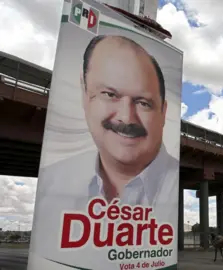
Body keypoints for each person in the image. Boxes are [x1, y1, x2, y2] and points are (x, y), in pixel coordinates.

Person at [28, 35, 179, 269]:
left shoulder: (173, 189)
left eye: (143, 103)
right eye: (110, 94)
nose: (126, 117)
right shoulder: (51, 183)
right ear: (84, 92)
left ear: (163, 112)